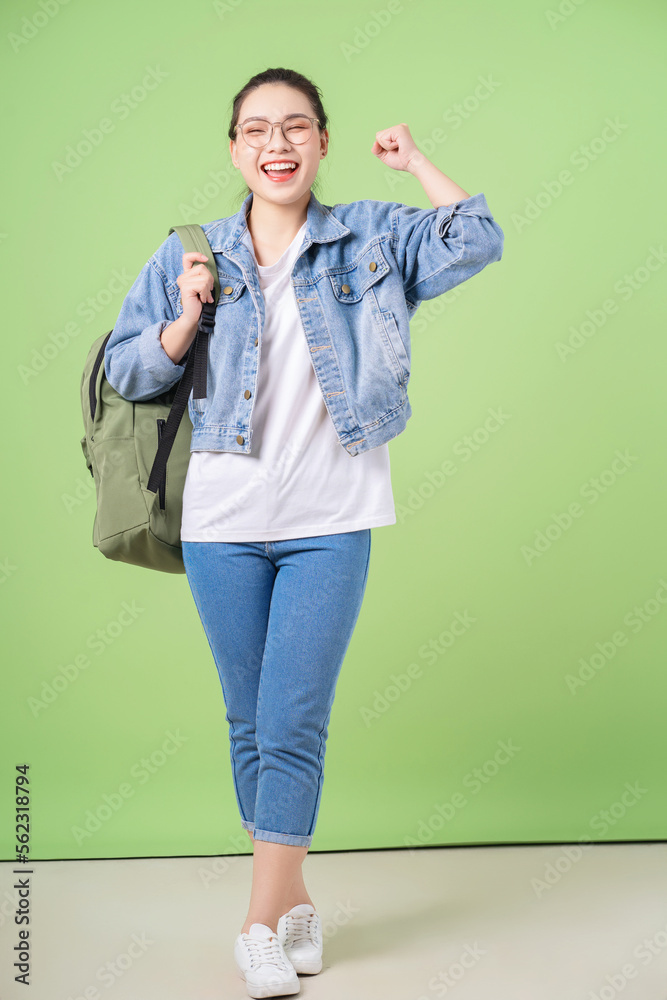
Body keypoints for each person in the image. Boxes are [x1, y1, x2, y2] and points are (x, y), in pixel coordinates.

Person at [105, 66, 504, 999]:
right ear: (234, 150)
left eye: (294, 127)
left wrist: (416, 164)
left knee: (292, 719)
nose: (275, 143)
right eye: (255, 130)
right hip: (221, 525)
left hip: (332, 519)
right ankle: (295, 902)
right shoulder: (190, 254)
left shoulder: (367, 235)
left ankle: (255, 921)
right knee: (249, 722)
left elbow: (477, 237)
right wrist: (187, 313)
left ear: (322, 142)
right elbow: (130, 372)